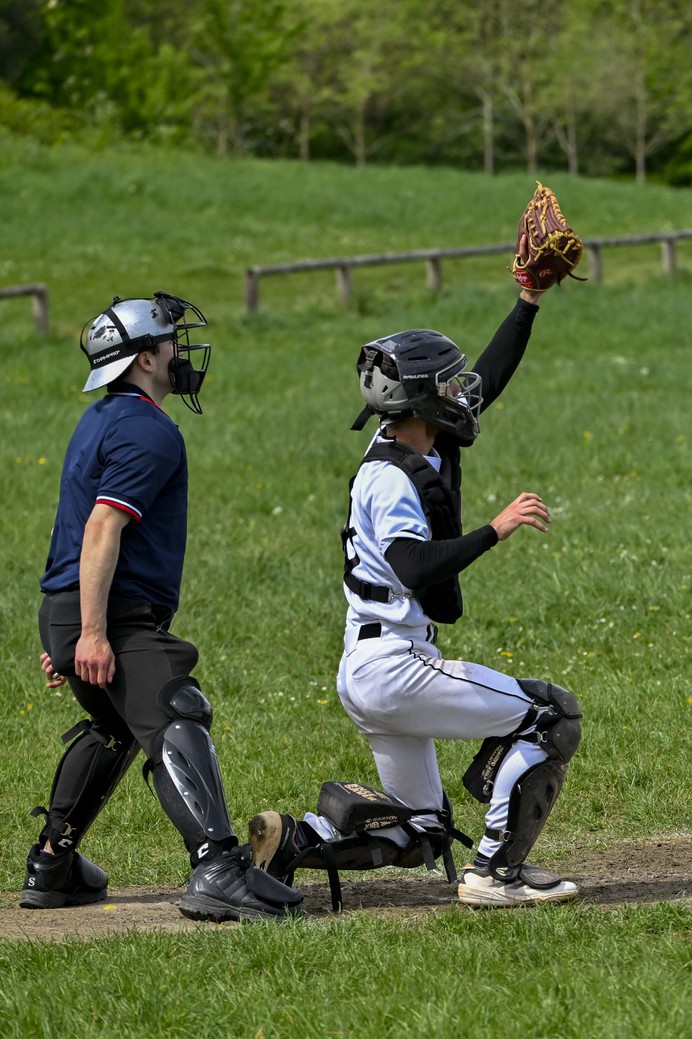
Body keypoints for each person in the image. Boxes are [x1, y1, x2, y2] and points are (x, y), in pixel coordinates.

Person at [248, 237, 584, 908]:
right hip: (394, 665)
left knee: (423, 827)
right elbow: (411, 563)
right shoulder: (390, 479)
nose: (464, 389)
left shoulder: (416, 438)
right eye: (449, 383)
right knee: (550, 714)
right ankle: (495, 872)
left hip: (369, 664)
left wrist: (529, 300)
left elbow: (490, 373)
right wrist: (495, 528)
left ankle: (294, 841)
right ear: (423, 399)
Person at [25, 292, 304, 922]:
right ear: (145, 358)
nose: (180, 353)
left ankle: (54, 863)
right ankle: (217, 867)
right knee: (177, 709)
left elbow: (70, 527)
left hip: (77, 607)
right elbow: (100, 529)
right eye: (170, 343)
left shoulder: (101, 417)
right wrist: (90, 633)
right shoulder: (148, 429)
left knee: (119, 725)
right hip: (110, 614)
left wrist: (67, 627)